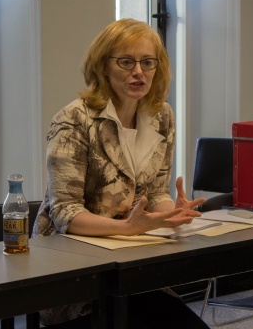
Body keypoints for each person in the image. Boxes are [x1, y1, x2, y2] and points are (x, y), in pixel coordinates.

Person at [33, 18, 209, 328]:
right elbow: (64, 213)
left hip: (131, 267)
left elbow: (154, 193)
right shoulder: (73, 120)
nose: (138, 72)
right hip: (74, 278)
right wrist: (130, 228)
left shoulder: (161, 116)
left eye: (147, 62)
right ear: (103, 67)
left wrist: (172, 214)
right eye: (126, 62)